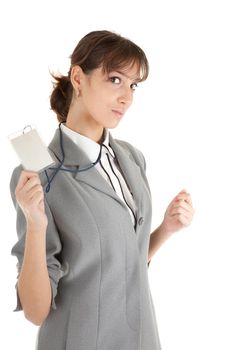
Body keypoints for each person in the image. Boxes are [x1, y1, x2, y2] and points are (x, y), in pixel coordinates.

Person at [10, 30, 194, 350]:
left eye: (133, 85)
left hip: (141, 337)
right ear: (79, 79)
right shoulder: (40, 175)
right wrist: (36, 224)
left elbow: (120, 260)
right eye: (115, 80)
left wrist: (166, 229)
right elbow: (36, 311)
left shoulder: (132, 159)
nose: (127, 97)